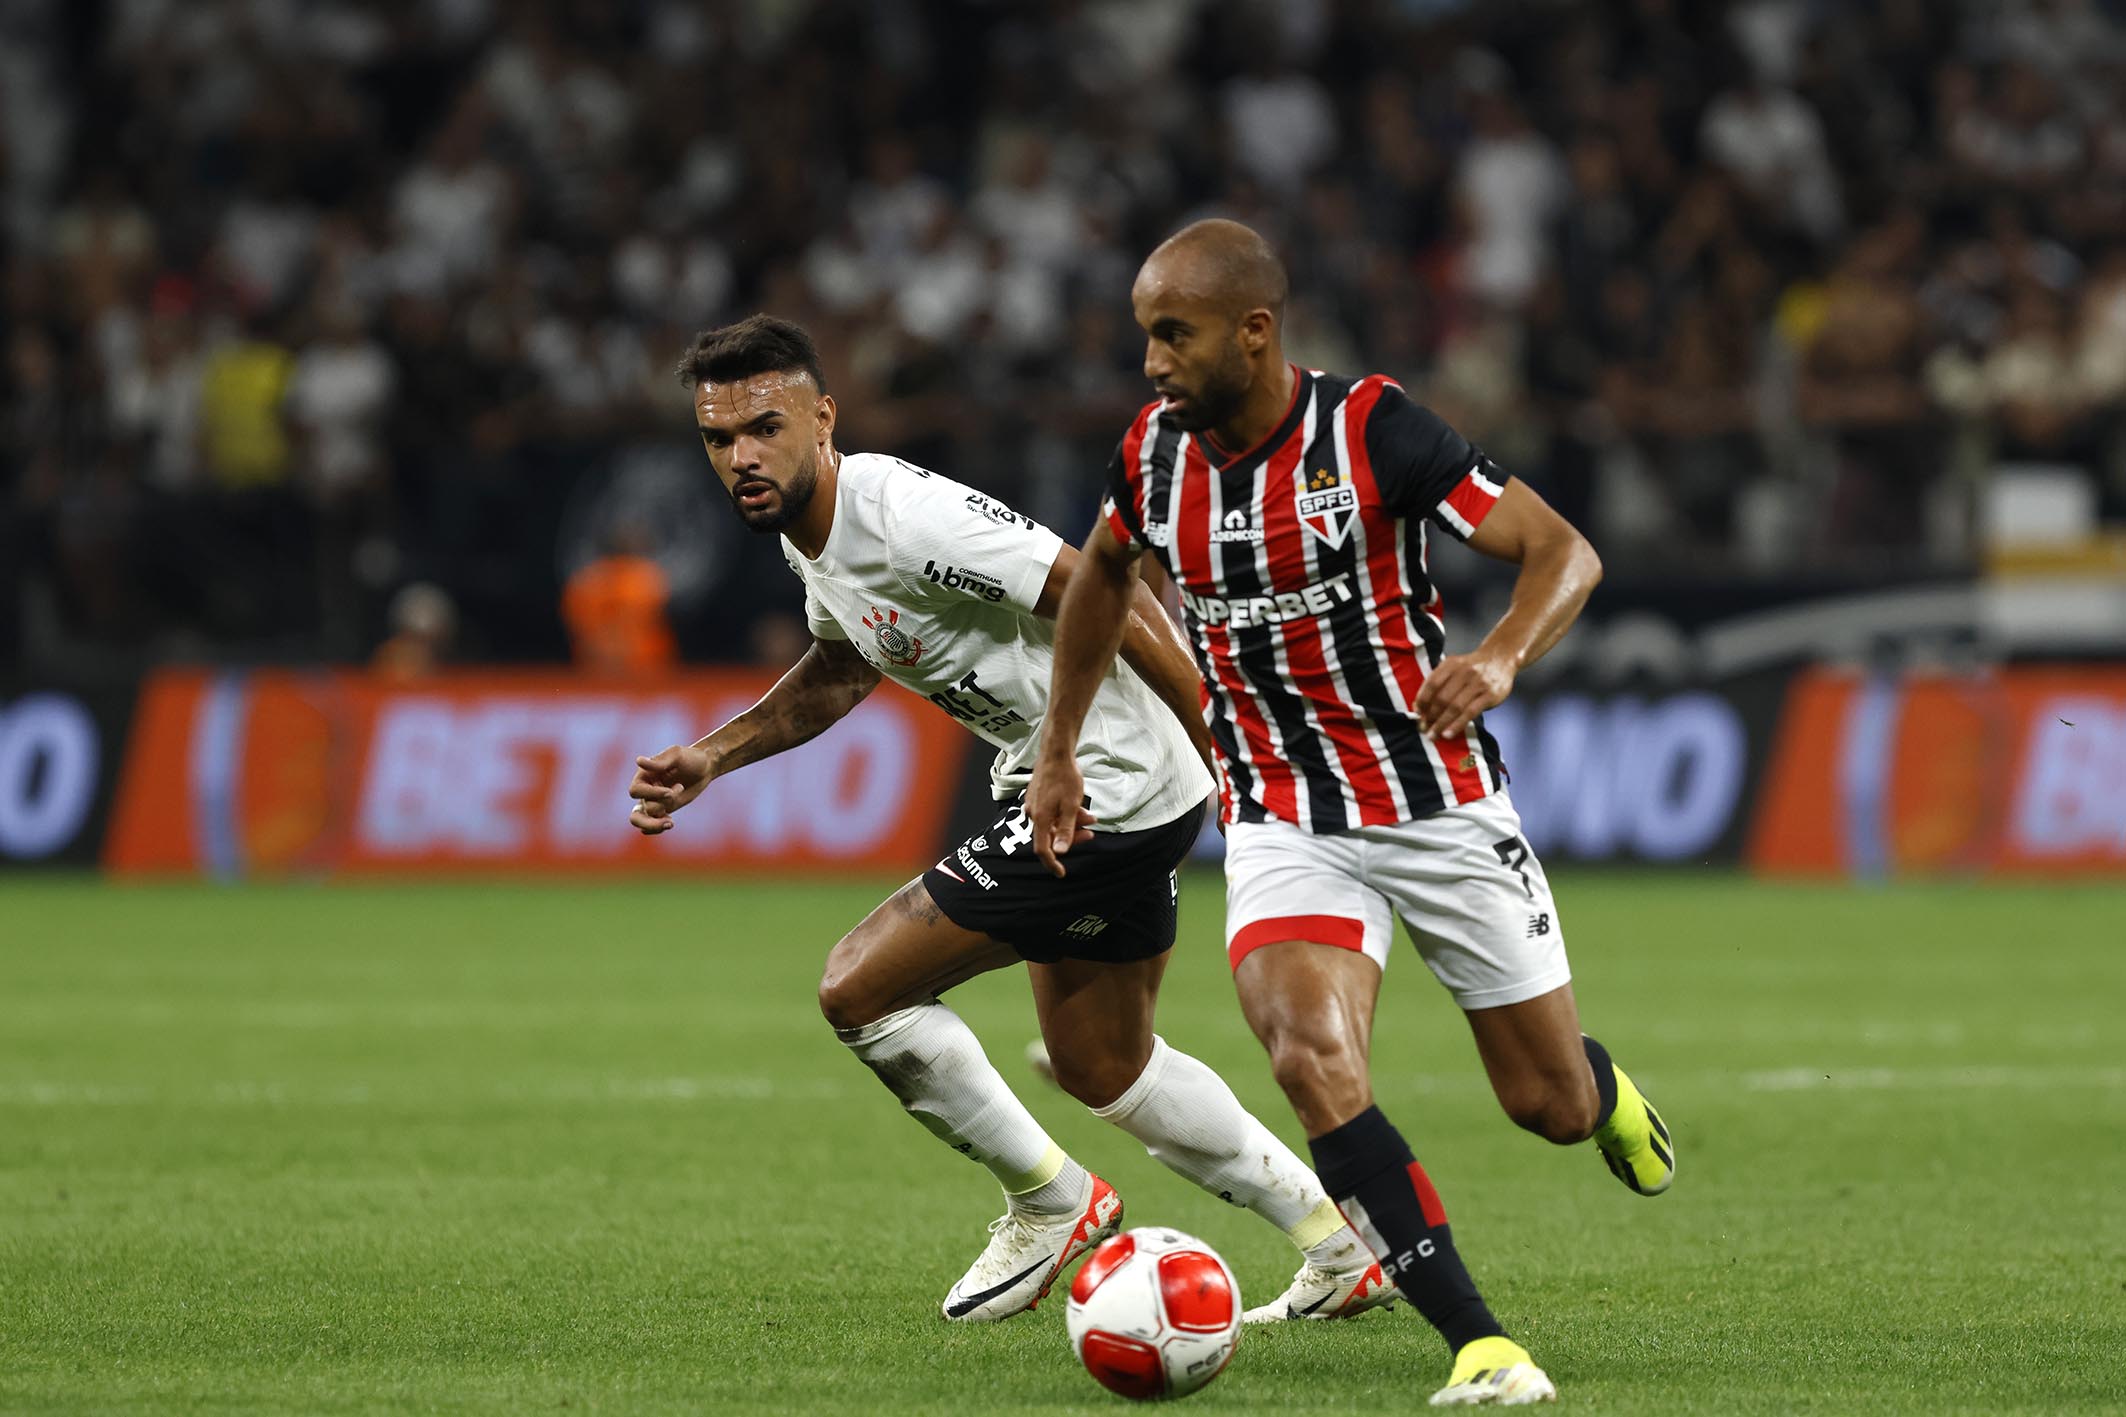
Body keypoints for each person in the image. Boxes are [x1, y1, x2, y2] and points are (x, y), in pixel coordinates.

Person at [629, 314, 1391, 1326]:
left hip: (1100, 788)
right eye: (718, 439)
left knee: (859, 990)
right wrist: (713, 755)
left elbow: (1099, 585)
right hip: (1108, 788)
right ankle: (1337, 1245)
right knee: (1103, 1062)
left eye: (761, 428)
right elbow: (845, 662)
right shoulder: (809, 536)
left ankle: (1052, 1203)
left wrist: (1219, 745)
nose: (739, 458)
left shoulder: (901, 513)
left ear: (822, 419)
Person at [1028, 220, 1676, 1407]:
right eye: (1143, 336)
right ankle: (1479, 1342)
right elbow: (1099, 578)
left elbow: (1560, 550)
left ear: (1253, 331)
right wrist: (1058, 744)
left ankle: (1602, 1092)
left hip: (1433, 796)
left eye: (1172, 334)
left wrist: (1498, 655)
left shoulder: (1370, 427)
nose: (1151, 362)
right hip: (1280, 815)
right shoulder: (1153, 457)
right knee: (1307, 1054)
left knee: (1544, 1104)